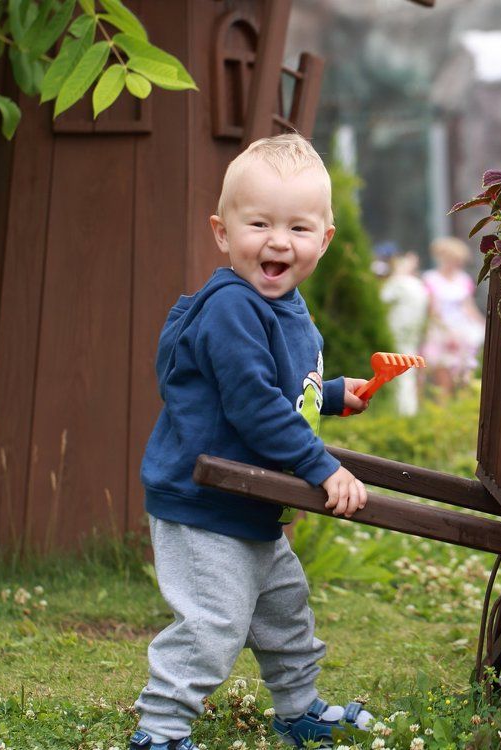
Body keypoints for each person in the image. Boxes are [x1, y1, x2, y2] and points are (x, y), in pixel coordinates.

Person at [130, 134, 373, 750]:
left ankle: (299, 710)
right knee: (214, 623)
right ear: (222, 231)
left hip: (252, 504)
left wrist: (334, 391)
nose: (277, 240)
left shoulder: (284, 303)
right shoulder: (233, 309)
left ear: (324, 239)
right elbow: (254, 405)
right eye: (258, 222)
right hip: (206, 502)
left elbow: (281, 384)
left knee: (285, 612)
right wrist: (323, 467)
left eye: (297, 226)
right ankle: (159, 730)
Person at [421, 237, 485, 400]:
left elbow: (468, 307)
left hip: (462, 330)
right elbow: (432, 311)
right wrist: (448, 332)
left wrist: (483, 323)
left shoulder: (463, 279)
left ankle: (461, 410)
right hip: (441, 331)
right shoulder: (431, 279)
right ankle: (442, 413)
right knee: (443, 378)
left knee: (465, 375)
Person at [380, 251, 429, 416]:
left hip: (398, 333)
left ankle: (403, 411)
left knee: (400, 372)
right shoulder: (418, 284)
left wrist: (394, 277)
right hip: (412, 334)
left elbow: (383, 298)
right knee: (408, 370)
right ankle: (408, 409)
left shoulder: (399, 282)